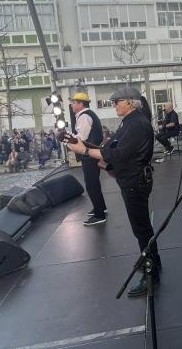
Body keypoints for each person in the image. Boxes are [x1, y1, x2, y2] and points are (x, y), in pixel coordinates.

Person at [67, 86, 159, 297]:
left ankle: (151, 274)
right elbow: (114, 148)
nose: (114, 104)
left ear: (130, 102)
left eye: (117, 101)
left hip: (135, 182)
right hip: (131, 180)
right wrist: (90, 150)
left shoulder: (136, 124)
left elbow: (119, 153)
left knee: (142, 229)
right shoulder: (131, 122)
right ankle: (150, 262)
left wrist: (86, 150)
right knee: (142, 228)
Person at [67, 92, 108, 226]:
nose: (72, 105)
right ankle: (100, 207)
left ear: (80, 104)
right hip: (92, 153)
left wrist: (68, 141)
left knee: (91, 184)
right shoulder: (88, 114)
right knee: (94, 183)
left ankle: (99, 214)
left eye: (74, 102)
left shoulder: (84, 116)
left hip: (89, 155)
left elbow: (81, 138)